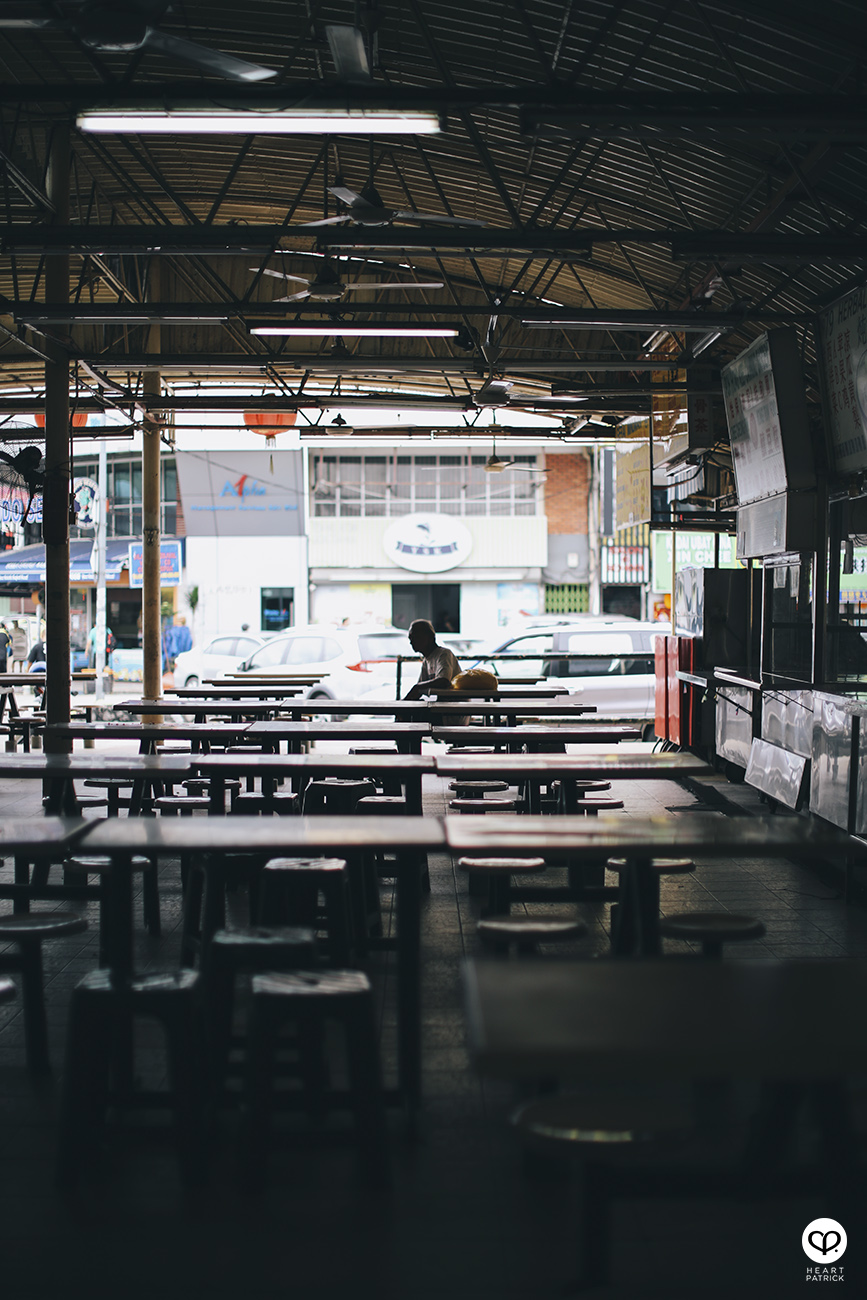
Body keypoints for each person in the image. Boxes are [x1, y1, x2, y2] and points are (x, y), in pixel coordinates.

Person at [403, 619, 461, 700]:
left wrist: (417, 687)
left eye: (416, 637)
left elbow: (444, 681)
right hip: (443, 707)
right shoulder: (426, 661)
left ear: (430, 637)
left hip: (455, 707)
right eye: (410, 638)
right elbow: (418, 691)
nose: (411, 642)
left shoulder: (444, 654)